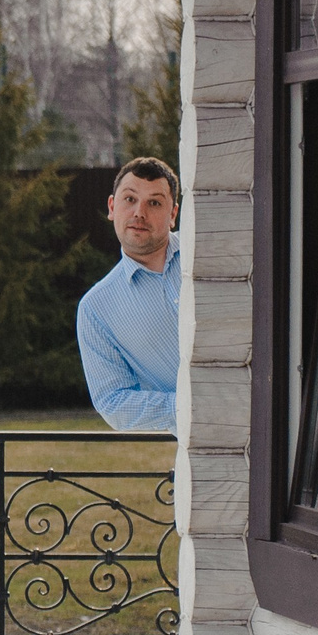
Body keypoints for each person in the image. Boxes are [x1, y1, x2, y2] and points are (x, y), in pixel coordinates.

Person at [77, 155, 182, 432]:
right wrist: (189, 407)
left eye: (155, 202)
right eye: (129, 199)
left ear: (173, 214)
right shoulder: (96, 308)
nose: (139, 213)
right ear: (112, 207)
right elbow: (113, 402)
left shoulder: (208, 254)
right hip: (207, 450)